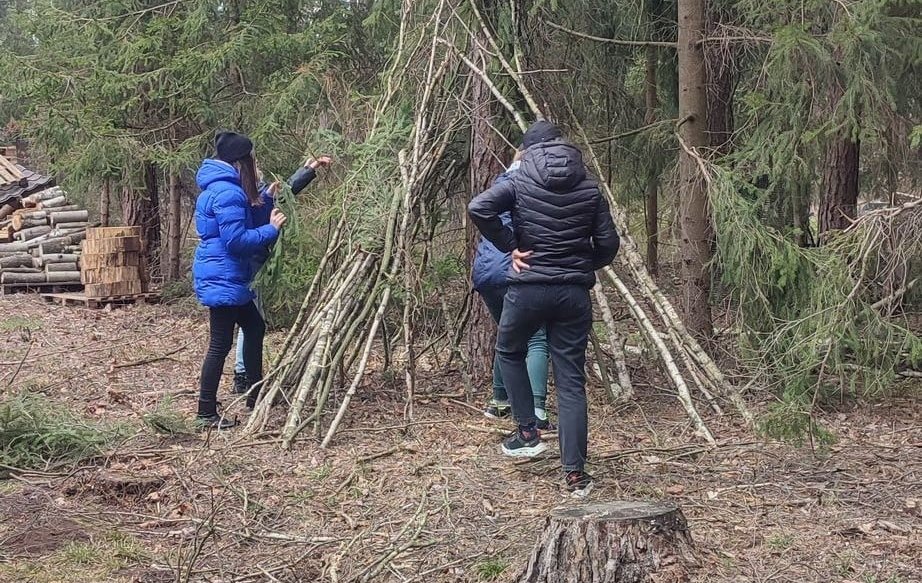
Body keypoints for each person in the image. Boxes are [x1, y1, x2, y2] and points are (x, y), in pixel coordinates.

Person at [468, 121, 620, 497]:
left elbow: (479, 207)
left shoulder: (519, 182)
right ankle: (574, 475)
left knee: (510, 350)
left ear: (529, 150)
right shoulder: (588, 188)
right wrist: (581, 266)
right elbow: (608, 244)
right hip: (573, 293)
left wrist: (510, 247)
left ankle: (526, 431)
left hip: (528, 289)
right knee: (570, 380)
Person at [192, 131, 287, 429]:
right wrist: (271, 231)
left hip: (227, 275)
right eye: (251, 159)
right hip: (224, 276)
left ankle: (254, 395)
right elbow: (235, 241)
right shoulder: (228, 192)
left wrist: (269, 198)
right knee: (219, 343)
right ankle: (206, 413)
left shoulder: (222, 188)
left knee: (255, 326)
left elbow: (244, 221)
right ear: (240, 161)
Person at [231, 154, 333, 395]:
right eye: (256, 165)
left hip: (251, 261)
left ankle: (243, 374)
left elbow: (282, 192)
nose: (260, 169)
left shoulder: (250, 191)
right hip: (249, 263)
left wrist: (307, 169)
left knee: (249, 321)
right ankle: (244, 377)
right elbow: (275, 197)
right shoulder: (242, 195)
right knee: (250, 321)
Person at [472, 149, 552, 430]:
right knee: (537, 337)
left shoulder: (499, 186)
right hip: (514, 272)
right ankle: (537, 409)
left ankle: (499, 401)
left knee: (508, 335)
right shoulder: (533, 189)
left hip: (486, 274)